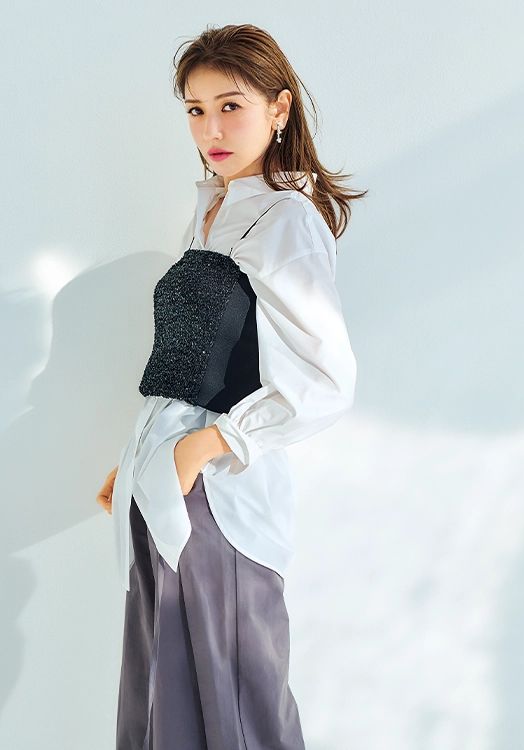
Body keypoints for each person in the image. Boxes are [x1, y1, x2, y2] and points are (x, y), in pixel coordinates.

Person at [96, 22, 366, 750]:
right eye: (195, 109)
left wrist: (209, 444)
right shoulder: (211, 210)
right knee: (164, 699)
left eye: (230, 106)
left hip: (221, 496)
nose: (210, 129)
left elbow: (327, 379)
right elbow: (193, 358)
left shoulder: (285, 219)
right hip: (163, 480)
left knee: (237, 704)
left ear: (279, 109)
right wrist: (139, 460)